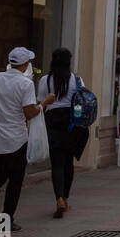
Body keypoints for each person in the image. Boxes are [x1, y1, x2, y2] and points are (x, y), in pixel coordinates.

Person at [0, 47, 52, 235]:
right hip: (16, 140)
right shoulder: (25, 84)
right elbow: (29, 113)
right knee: (14, 182)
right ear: (24, 65)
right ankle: (6, 222)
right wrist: (44, 103)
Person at [37, 47, 91, 219]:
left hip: (52, 121)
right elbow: (84, 99)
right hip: (71, 123)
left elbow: (40, 103)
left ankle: (58, 197)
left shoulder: (45, 80)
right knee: (68, 163)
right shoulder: (77, 79)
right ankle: (65, 198)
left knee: (57, 163)